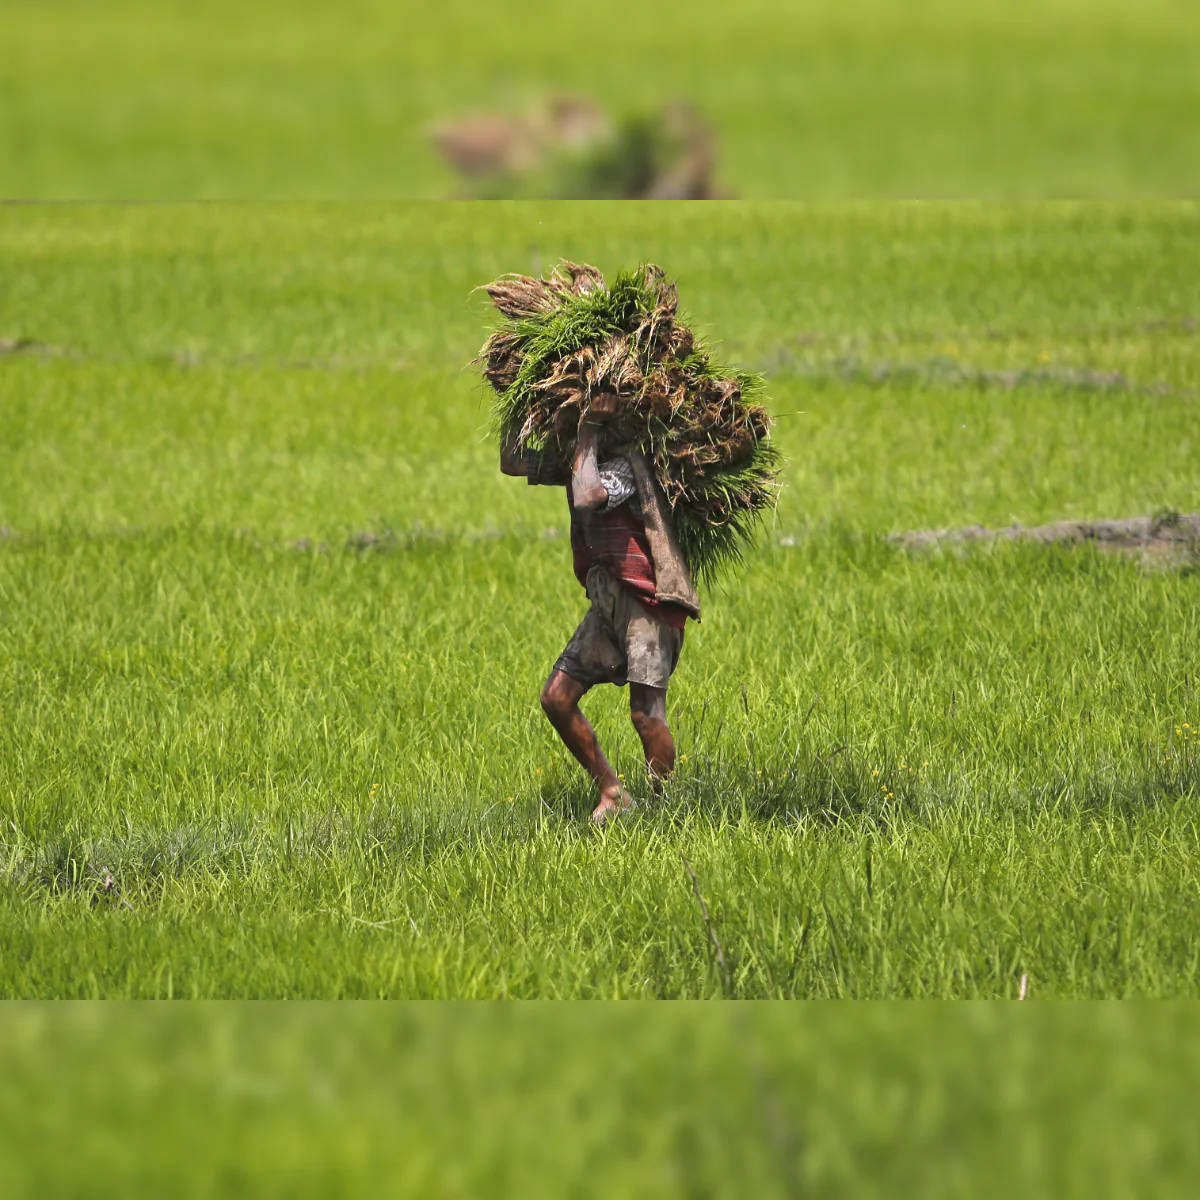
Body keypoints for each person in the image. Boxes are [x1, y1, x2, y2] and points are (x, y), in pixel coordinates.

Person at [501, 392, 701, 823]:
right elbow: (512, 462)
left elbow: (588, 494)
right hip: (607, 602)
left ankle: (664, 808)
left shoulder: (630, 463)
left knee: (646, 715)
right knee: (557, 698)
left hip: (645, 603)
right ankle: (612, 791)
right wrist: (517, 400)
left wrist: (589, 429)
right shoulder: (578, 459)